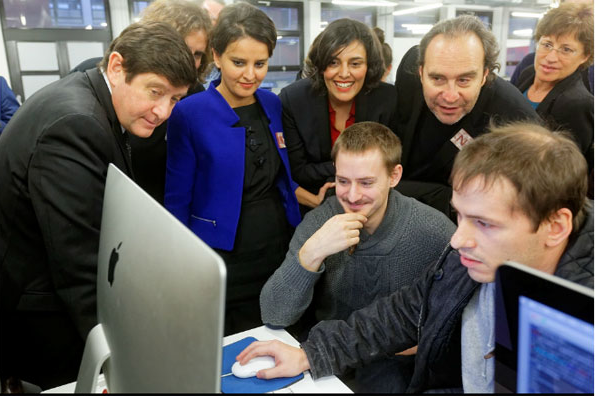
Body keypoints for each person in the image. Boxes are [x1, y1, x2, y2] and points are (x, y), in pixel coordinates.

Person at [237, 121, 594, 393]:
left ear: (554, 226)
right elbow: (401, 314)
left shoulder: (580, 324)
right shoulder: (469, 257)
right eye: (460, 215)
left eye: (484, 223)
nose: (457, 239)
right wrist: (310, 355)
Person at [0, 22, 196, 390]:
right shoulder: (76, 124)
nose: (163, 111)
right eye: (156, 92)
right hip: (34, 307)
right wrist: (120, 356)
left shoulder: (88, 98)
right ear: (118, 67)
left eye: (175, 99)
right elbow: (78, 260)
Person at [164, 3, 324, 336]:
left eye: (260, 63)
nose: (250, 75)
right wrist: (177, 267)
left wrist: (318, 201)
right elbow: (177, 200)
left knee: (282, 335)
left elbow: (280, 179)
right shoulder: (189, 113)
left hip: (279, 248)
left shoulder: (272, 103)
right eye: (239, 63)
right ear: (216, 55)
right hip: (222, 257)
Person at [260, 121, 455, 392]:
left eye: (366, 183)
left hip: (395, 366)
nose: (352, 195)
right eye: (342, 181)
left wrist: (425, 340)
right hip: (325, 356)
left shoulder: (433, 230)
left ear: (394, 176)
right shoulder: (320, 222)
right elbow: (273, 313)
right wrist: (311, 254)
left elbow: (457, 319)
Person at [394, 15, 539, 220]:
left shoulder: (516, 120)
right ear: (420, 72)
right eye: (437, 79)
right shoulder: (409, 71)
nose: (450, 96)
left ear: (484, 76)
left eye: (464, 80)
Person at [69, 0, 213, 204]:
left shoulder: (195, 96)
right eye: (179, 46)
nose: (186, 61)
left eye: (197, 54)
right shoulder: (94, 78)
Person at [279, 18, 398, 214]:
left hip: (374, 207)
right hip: (312, 209)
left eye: (355, 63)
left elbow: (389, 165)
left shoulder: (387, 98)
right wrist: (360, 168)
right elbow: (298, 171)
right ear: (321, 65)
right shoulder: (294, 99)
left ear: (369, 66)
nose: (344, 73)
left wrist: (332, 170)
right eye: (333, 62)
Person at [513, 2, 593, 173]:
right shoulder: (528, 74)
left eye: (566, 49)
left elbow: (565, 172)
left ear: (585, 56)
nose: (550, 57)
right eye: (547, 44)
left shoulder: (578, 104)